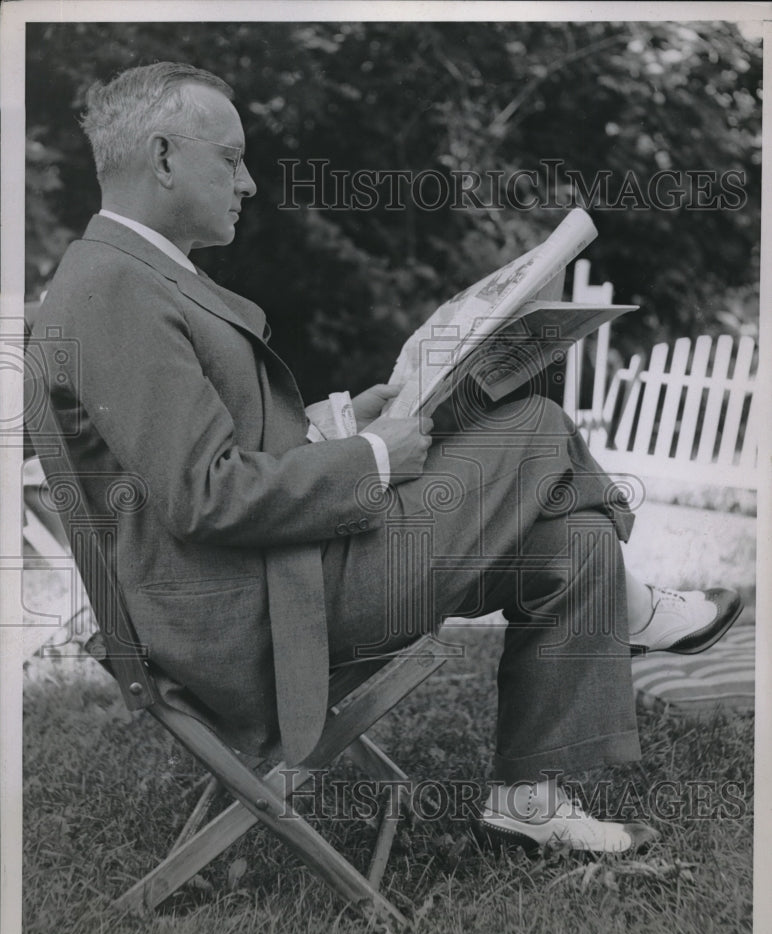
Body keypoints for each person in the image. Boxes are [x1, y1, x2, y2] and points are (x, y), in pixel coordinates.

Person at [30, 62, 742, 856]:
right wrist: (373, 458)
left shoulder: (128, 273)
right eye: (231, 159)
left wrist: (344, 420)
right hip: (257, 618)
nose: (252, 183)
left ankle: (529, 800)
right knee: (535, 426)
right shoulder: (115, 287)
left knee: (575, 549)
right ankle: (638, 612)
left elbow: (214, 445)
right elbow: (205, 495)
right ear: (163, 158)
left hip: (279, 578)